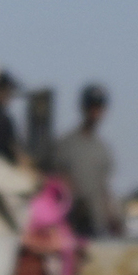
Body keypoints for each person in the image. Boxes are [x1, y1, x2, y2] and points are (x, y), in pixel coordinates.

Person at [49, 83, 118, 239]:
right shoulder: (66, 144)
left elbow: (104, 189)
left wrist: (113, 218)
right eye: (91, 106)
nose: (95, 111)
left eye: (99, 106)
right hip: (68, 225)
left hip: (96, 226)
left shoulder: (103, 149)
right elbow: (54, 181)